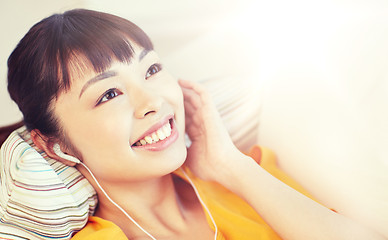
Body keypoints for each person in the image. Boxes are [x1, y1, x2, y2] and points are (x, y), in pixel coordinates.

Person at [2, 8, 386, 240]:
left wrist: (230, 167)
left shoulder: (248, 177)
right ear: (55, 146)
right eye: (109, 94)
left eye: (151, 69)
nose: (153, 101)